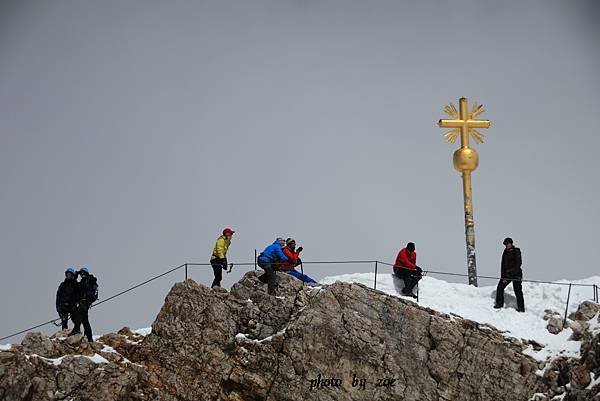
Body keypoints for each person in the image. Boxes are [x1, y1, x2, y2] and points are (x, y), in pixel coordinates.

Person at [494, 237, 525, 312]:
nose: (506, 245)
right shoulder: (505, 252)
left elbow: (518, 263)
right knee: (500, 287)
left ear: (511, 243)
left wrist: (512, 273)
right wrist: (503, 277)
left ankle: (521, 308)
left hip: (516, 274)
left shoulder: (516, 251)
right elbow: (503, 266)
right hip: (507, 275)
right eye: (505, 244)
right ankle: (499, 304)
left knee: (517, 290)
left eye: (507, 244)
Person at [69, 267, 98, 342]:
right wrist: (75, 277)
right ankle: (89, 338)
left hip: (87, 301)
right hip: (82, 301)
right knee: (85, 320)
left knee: (79, 313)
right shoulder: (82, 282)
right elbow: (76, 288)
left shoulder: (90, 280)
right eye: (81, 274)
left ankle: (76, 329)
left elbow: (93, 291)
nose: (82, 275)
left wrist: (88, 297)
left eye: (83, 273)